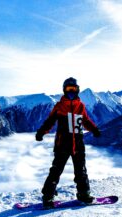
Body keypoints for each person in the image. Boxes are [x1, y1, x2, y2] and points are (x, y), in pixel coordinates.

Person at [35, 77, 101, 209]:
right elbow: (50, 121)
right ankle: (48, 197)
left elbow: (85, 121)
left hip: (78, 143)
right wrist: (41, 132)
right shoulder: (59, 106)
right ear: (64, 90)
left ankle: (84, 194)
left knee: (81, 171)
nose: (71, 91)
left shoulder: (80, 106)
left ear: (77, 90)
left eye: (73, 89)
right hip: (62, 144)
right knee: (56, 170)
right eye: (68, 89)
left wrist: (94, 129)